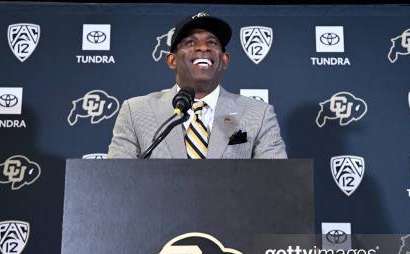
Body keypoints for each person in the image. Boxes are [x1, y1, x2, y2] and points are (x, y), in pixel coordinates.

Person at [107, 12, 287, 159]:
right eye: (190, 42)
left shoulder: (259, 114)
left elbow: (277, 182)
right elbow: (116, 182)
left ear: (224, 60)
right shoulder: (136, 111)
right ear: (171, 60)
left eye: (212, 42)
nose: (203, 48)